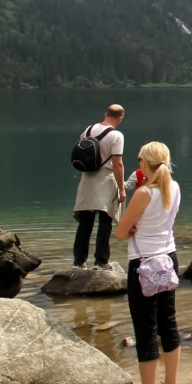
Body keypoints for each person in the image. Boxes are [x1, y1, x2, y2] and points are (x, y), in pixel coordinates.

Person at [117, 142, 182, 384]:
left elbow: (120, 233)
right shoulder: (174, 187)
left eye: (139, 160)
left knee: (145, 330)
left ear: (145, 164)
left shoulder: (143, 193)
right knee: (168, 324)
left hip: (143, 264)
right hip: (168, 258)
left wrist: (131, 227)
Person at [73, 104, 126, 269]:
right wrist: (122, 188)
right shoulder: (116, 136)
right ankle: (101, 261)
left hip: (87, 178)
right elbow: (117, 164)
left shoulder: (88, 130)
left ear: (105, 114)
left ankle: (78, 261)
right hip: (105, 179)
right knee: (105, 222)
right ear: (120, 118)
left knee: (85, 222)